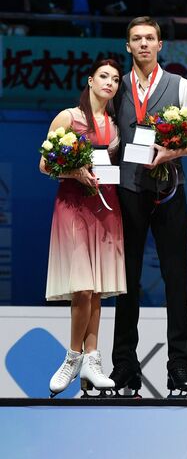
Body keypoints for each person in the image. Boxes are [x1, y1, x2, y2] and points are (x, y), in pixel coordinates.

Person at [111, 16, 187, 397]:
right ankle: (123, 367)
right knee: (126, 284)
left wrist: (174, 150)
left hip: (170, 190)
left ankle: (180, 370)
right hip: (127, 191)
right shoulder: (115, 87)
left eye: (150, 38)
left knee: (177, 283)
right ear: (128, 46)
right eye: (136, 38)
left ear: (160, 45)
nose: (143, 44)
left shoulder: (179, 85)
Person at [43, 59, 126, 398]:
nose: (110, 83)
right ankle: (72, 357)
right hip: (73, 206)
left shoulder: (116, 125)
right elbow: (46, 163)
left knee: (95, 290)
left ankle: (93, 359)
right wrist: (75, 173)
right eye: (104, 76)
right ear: (90, 80)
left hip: (105, 207)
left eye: (116, 79)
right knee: (81, 287)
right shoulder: (69, 117)